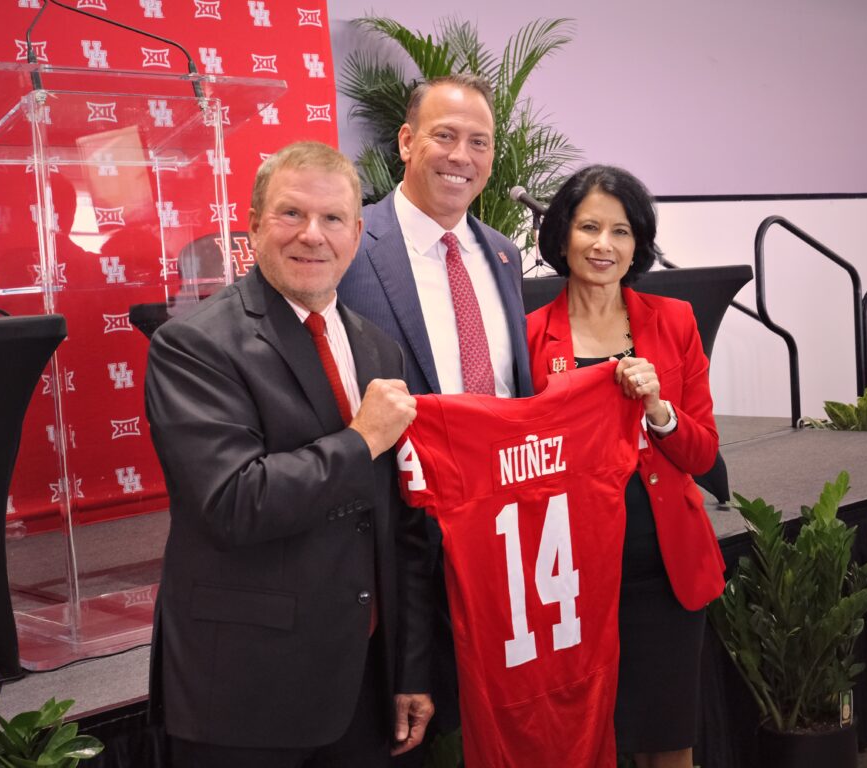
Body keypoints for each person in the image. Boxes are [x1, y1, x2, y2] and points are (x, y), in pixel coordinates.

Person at [145, 141, 433, 768]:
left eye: (333, 218)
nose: (312, 235)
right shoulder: (193, 345)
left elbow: (401, 525)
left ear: (355, 236)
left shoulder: (378, 348)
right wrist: (362, 439)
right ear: (253, 225)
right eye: (291, 213)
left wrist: (410, 668)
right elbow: (233, 502)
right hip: (245, 693)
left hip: (363, 684)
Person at [338, 73, 534, 754]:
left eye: (479, 142)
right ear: (406, 141)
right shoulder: (351, 246)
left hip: (501, 533)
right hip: (396, 548)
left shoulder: (503, 253)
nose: (461, 156)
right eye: (444, 136)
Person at [525, 165, 726, 768]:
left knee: (669, 742)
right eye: (589, 227)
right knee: (586, 742)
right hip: (569, 574)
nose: (603, 245)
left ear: (638, 244)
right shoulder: (528, 335)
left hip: (662, 568)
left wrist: (659, 410)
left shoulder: (674, 320)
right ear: (562, 236)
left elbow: (703, 454)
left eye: (621, 231)